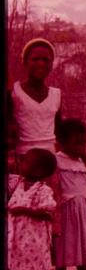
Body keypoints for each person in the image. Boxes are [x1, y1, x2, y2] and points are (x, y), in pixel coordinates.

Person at [52, 118, 86, 270]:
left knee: (84, 251)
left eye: (83, 144)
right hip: (65, 212)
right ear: (62, 143)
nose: (80, 148)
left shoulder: (83, 162)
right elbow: (54, 189)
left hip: (84, 211)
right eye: (75, 144)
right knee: (63, 252)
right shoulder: (56, 161)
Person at [7, 38, 62, 171]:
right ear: (25, 62)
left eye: (46, 60)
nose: (41, 63)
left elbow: (59, 130)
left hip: (51, 162)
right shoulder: (14, 92)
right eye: (35, 59)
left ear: (51, 65)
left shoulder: (56, 94)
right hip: (24, 162)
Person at [7, 148, 58, 270]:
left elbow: (48, 213)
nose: (21, 162)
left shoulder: (43, 190)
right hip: (17, 240)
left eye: (26, 161)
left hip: (36, 241)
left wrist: (25, 210)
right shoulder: (17, 184)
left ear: (38, 171)